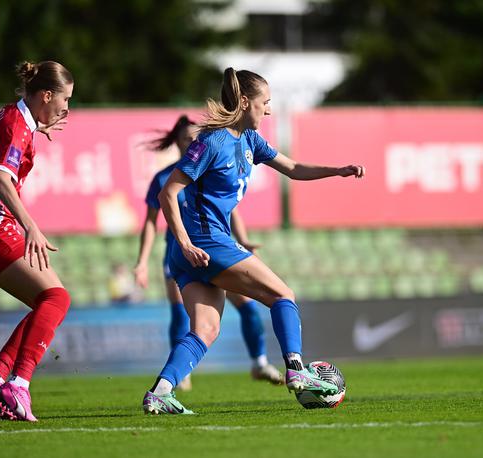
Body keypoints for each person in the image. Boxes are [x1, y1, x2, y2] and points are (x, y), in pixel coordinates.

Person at [142, 68, 365, 415]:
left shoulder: (249, 141)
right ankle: (296, 368)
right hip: (206, 244)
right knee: (283, 295)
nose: (269, 110)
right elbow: (168, 191)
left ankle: (162, 391)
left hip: (193, 252)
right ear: (246, 103)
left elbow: (292, 167)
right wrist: (185, 242)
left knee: (205, 330)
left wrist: (336, 170)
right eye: (265, 103)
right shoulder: (212, 142)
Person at [0, 60, 74, 422]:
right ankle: (17, 384)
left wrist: (38, 129)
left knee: (48, 302)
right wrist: (32, 227)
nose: (68, 108)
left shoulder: (15, 119)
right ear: (47, 95)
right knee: (56, 298)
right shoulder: (17, 126)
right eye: (66, 99)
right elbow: (1, 179)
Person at [134, 115, 283, 392]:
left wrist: (243, 240)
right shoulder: (165, 179)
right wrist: (142, 262)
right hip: (181, 252)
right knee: (182, 313)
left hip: (218, 248)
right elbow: (151, 223)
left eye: (195, 137)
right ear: (176, 144)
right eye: (186, 139)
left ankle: (259, 361)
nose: (192, 142)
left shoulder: (209, 166)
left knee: (246, 304)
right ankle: (179, 374)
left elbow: (230, 209)